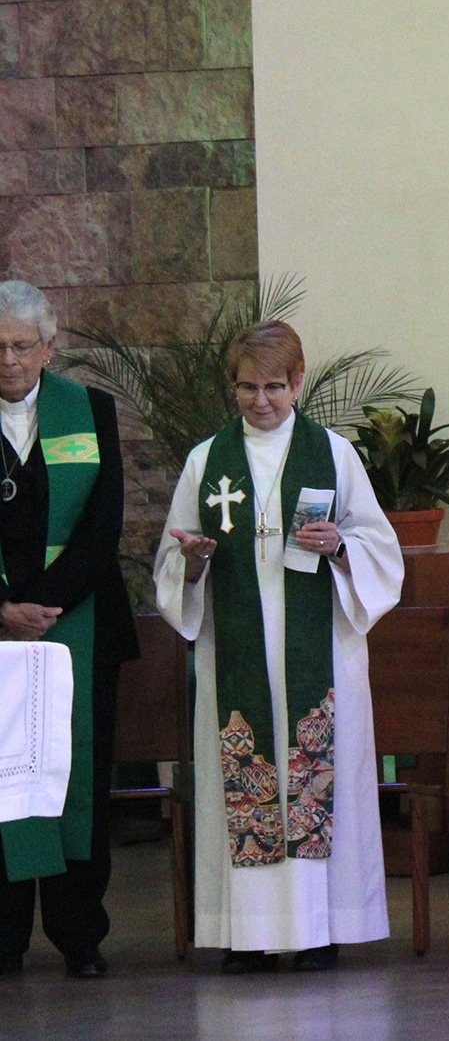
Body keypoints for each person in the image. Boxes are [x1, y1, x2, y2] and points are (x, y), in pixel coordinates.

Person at [154, 320, 403, 974]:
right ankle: (249, 933)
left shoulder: (335, 455)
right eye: (245, 387)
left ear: (297, 382)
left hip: (318, 651)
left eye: (272, 386)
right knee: (247, 775)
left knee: (313, 784)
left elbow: (381, 548)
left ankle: (319, 930)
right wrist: (196, 561)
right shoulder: (207, 462)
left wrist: (341, 546)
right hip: (235, 654)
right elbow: (170, 559)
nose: (259, 401)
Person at [0, 281, 137, 979]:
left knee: (72, 778)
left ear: (50, 347)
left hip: (79, 624)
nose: (9, 360)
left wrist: (42, 605)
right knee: (4, 781)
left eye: (22, 346)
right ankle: (3, 936)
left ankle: (79, 933)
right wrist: (0, 611)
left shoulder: (90, 411)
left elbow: (102, 523)